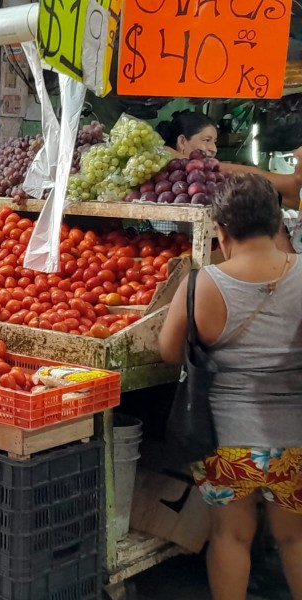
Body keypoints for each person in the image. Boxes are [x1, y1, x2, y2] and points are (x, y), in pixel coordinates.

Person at [158, 173, 302, 600]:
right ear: (278, 223)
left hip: (226, 441)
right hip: (295, 436)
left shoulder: (202, 284)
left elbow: (168, 351)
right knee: (294, 539)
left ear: (220, 230)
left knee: (230, 537)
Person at [157, 110, 302, 208]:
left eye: (214, 141)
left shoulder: (211, 177)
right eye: (206, 140)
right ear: (182, 141)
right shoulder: (161, 171)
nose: (213, 148)